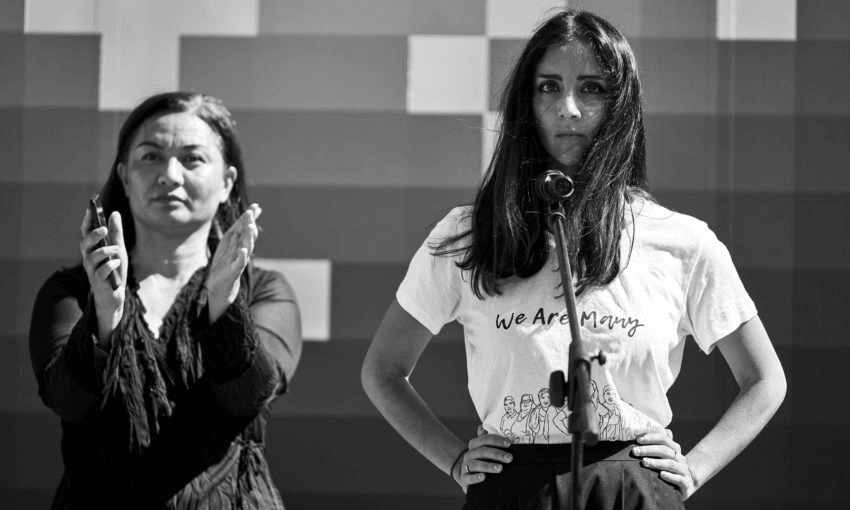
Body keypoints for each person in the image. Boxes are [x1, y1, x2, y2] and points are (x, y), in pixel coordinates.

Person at [361, 9, 786, 509]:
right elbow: (383, 369)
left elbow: (765, 380)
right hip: (513, 488)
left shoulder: (682, 241)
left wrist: (693, 469)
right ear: (526, 100)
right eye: (548, 87)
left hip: (633, 489)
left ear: (621, 103)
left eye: (592, 88)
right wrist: (455, 460)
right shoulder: (469, 232)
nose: (568, 108)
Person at [29, 92, 303, 509]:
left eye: (192, 159)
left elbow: (246, 397)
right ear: (124, 175)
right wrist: (104, 315)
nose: (169, 175)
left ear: (227, 182)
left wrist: (223, 302)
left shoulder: (263, 291)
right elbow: (68, 400)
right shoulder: (72, 291)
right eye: (150, 157)